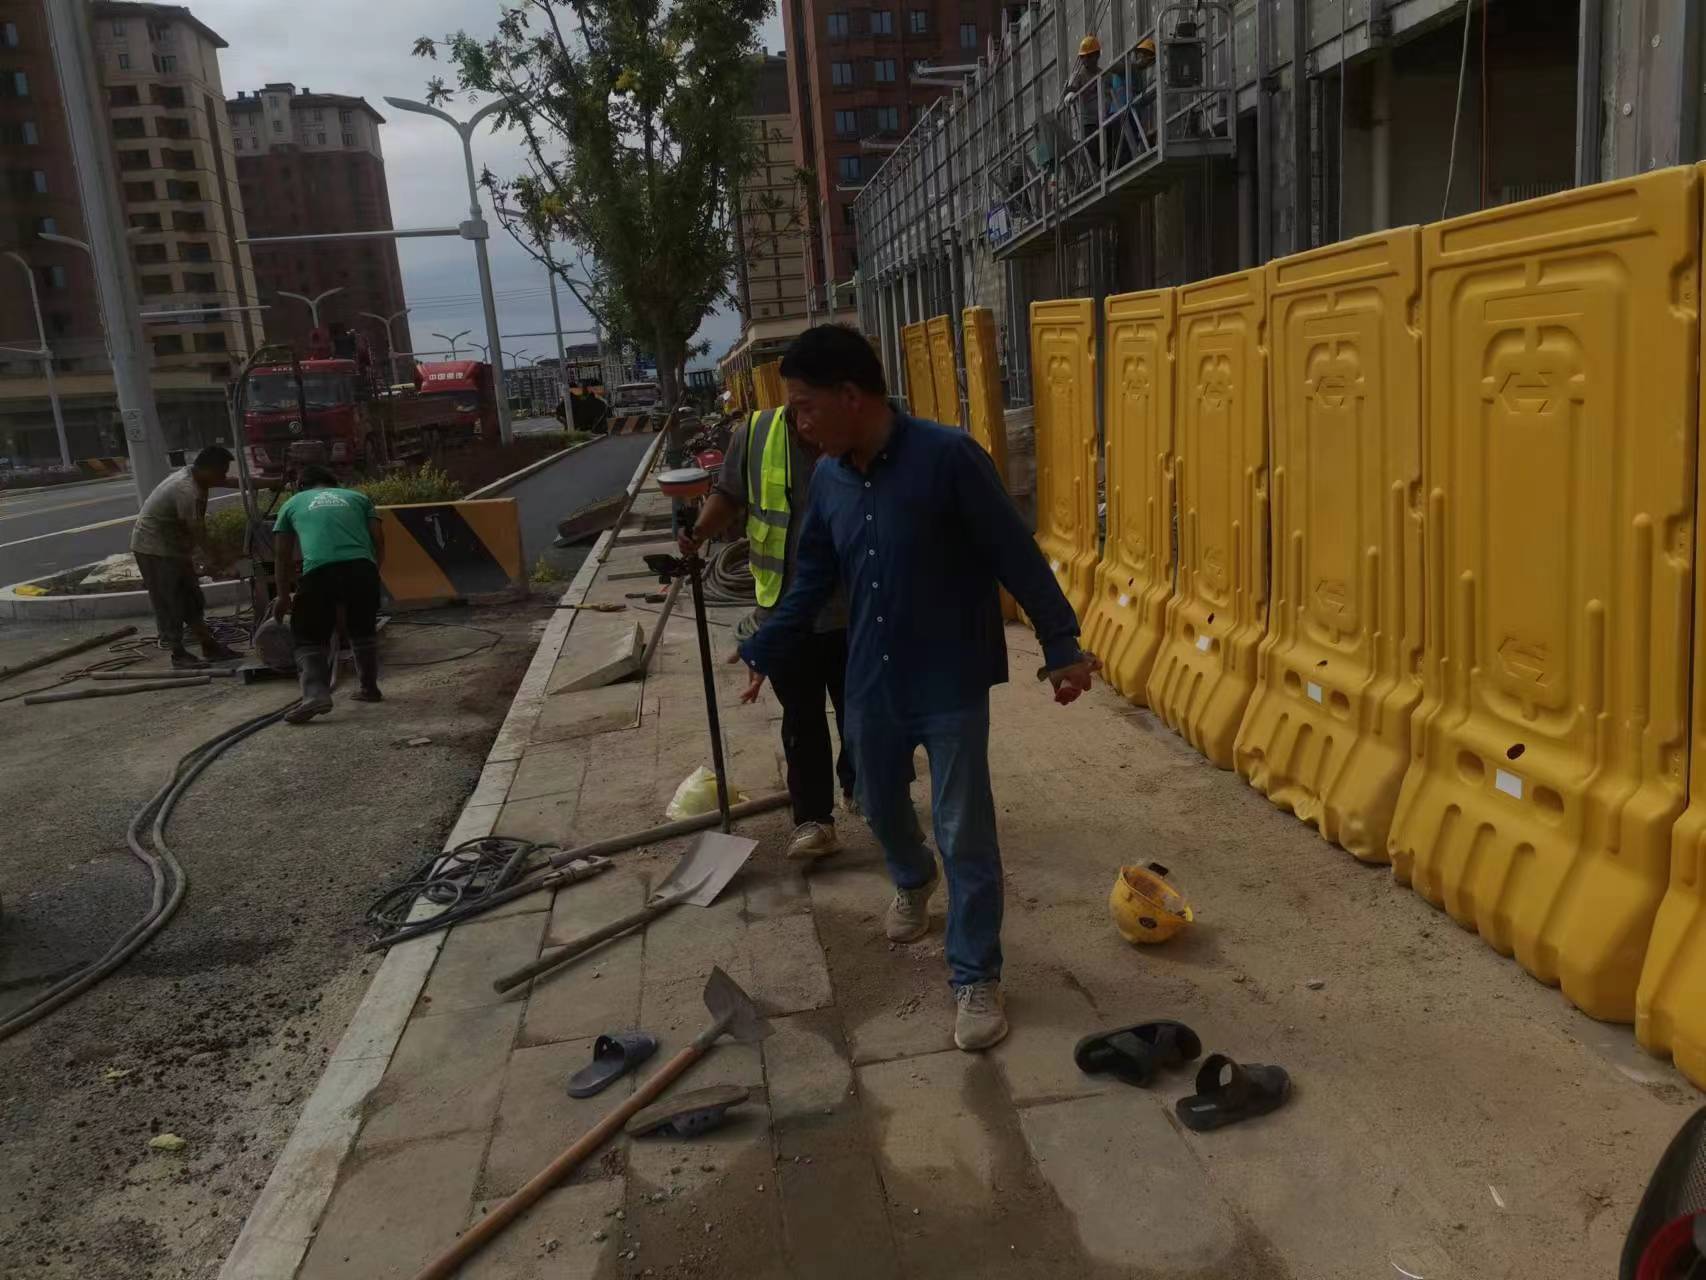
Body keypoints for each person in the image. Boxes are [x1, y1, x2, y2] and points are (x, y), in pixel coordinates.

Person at [738, 326, 1100, 1053]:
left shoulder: (949, 458)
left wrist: (1061, 644)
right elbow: (812, 578)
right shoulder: (830, 481)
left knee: (964, 827)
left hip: (950, 676)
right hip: (871, 677)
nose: (798, 424)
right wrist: (766, 645)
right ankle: (911, 877)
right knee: (875, 799)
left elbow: (1015, 553)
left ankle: (975, 974)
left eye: (805, 407)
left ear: (850, 395)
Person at [679, 402, 856, 861]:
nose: (810, 421)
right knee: (801, 719)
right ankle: (813, 820)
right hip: (784, 609)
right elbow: (729, 494)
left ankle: (863, 788)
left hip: (858, 609)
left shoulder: (863, 427)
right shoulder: (756, 434)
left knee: (864, 715)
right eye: (802, 403)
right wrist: (698, 533)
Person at [270, 465, 385, 723]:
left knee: (307, 637)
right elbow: (379, 540)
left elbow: (281, 555)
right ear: (334, 484)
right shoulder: (358, 498)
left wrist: (283, 596)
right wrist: (371, 573)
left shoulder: (293, 503)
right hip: (363, 568)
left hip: (319, 571)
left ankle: (315, 695)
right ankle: (369, 688)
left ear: (301, 486)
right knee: (362, 630)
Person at [129, 445, 243, 669]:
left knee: (191, 599)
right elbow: (198, 532)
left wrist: (272, 482)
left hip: (174, 547)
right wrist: (218, 561)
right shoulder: (186, 489)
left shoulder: (198, 476)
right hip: (153, 549)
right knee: (170, 601)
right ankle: (178, 653)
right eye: (221, 472)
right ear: (208, 469)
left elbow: (231, 482)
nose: (223, 477)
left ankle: (209, 646)